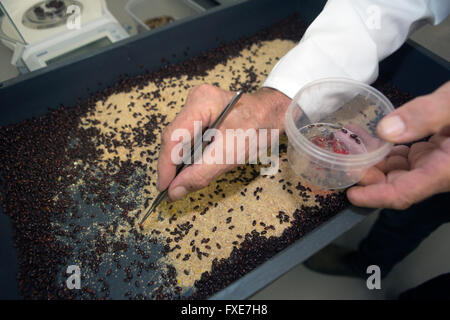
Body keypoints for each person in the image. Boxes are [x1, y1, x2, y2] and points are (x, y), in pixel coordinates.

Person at [155, 0, 450, 298]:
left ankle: (373, 263)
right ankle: (367, 261)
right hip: (430, 148)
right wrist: (271, 106)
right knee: (411, 208)